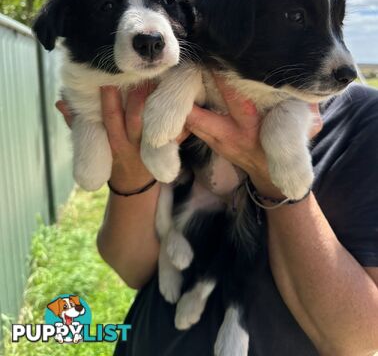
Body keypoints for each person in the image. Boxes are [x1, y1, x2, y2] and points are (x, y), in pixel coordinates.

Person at [57, 77, 378, 356]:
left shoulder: (362, 121)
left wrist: (274, 178)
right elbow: (133, 270)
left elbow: (357, 339)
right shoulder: (177, 94)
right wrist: (131, 174)